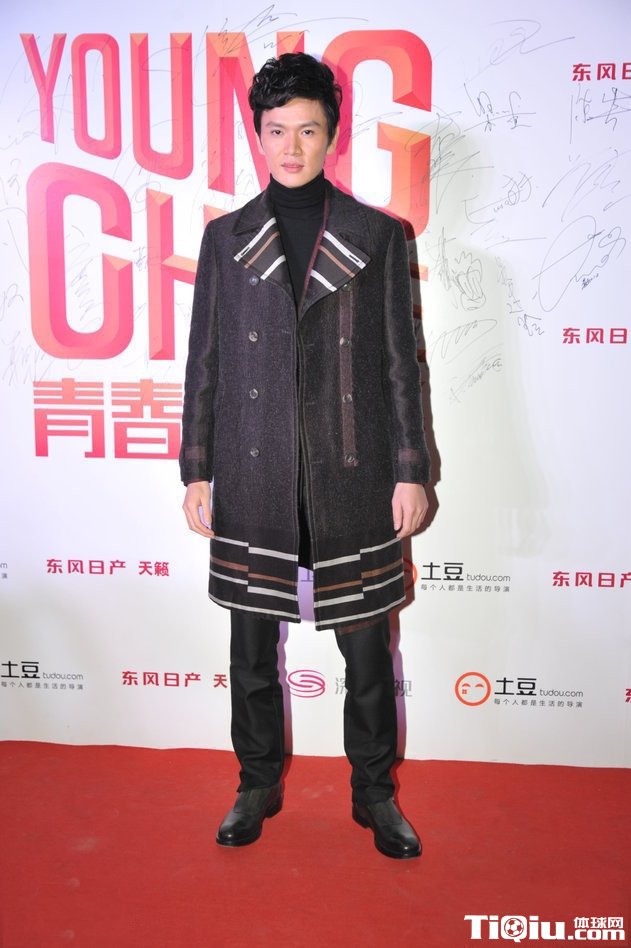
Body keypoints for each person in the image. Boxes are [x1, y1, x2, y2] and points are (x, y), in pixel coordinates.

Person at [180, 52, 430, 859]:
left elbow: (401, 364)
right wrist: (196, 467)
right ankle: (255, 783)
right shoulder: (226, 238)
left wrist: (411, 469)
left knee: (368, 653)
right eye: (277, 130)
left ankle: (374, 794)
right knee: (251, 652)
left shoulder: (376, 236)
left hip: (351, 472)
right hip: (253, 472)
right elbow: (205, 361)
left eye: (308, 130)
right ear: (257, 135)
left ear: (332, 135)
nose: (291, 147)